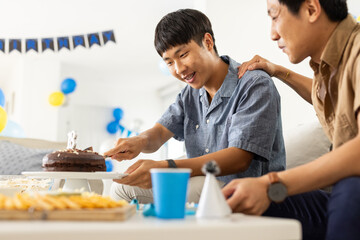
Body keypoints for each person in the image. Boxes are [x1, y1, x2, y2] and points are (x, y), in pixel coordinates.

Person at [105, 9, 285, 204]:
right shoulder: (189, 94)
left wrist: (168, 167)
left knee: (199, 187)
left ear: (208, 42)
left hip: (251, 193)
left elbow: (239, 158)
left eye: (182, 55)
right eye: (169, 62)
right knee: (121, 188)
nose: (179, 69)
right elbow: (159, 133)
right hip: (204, 188)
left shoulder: (254, 84)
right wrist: (138, 142)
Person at [223, 0, 360, 239]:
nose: (272, 34)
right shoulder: (328, 67)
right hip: (343, 194)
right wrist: (277, 71)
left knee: (350, 189)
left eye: (275, 16)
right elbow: (324, 98)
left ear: (311, 9)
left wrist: (272, 183)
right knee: (250, 203)